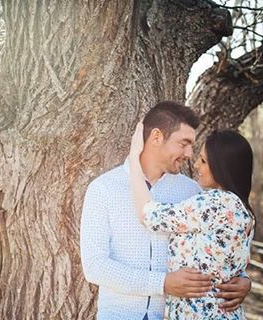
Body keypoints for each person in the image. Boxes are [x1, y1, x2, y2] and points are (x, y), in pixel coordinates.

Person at [80, 101, 251, 320]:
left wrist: (243, 279)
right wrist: (162, 283)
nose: (190, 153)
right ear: (157, 137)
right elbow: (95, 266)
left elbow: (222, 243)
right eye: (184, 143)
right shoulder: (103, 189)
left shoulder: (192, 192)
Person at [129, 122, 254, 319]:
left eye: (203, 161)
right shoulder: (242, 210)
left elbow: (148, 214)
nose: (195, 165)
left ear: (222, 167)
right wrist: (245, 281)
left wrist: (134, 161)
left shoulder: (216, 203)